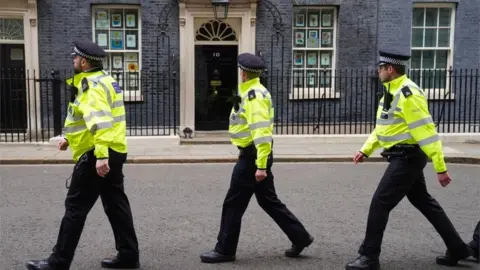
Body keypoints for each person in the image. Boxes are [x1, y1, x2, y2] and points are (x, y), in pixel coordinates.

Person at [345, 50, 472, 270]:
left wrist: (440, 167)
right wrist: (365, 150)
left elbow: (427, 132)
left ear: (390, 69)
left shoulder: (408, 94)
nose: (378, 71)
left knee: (380, 203)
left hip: (407, 157)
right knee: (424, 201)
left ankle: (369, 256)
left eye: (381, 68)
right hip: (401, 156)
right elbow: (383, 128)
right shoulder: (389, 92)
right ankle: (458, 248)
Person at [26, 39, 140, 270]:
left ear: (84, 62)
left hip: (97, 153)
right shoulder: (107, 80)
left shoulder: (91, 85)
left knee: (75, 207)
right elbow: (87, 119)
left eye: (75, 57)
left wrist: (100, 156)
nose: (73, 60)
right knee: (116, 204)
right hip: (115, 149)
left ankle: (58, 262)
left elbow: (99, 121)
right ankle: (129, 255)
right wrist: (69, 137)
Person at [199, 52, 314, 263]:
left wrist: (261, 166)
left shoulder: (254, 96)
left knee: (233, 203)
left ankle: (225, 250)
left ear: (243, 73)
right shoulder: (252, 92)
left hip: (252, 158)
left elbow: (261, 134)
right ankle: (300, 237)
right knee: (268, 201)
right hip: (255, 155)